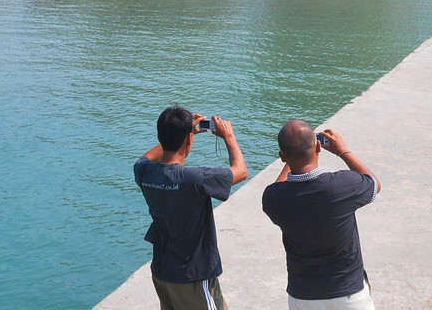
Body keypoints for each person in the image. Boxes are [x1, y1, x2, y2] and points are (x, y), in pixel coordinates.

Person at [134, 105, 248, 310]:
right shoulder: (195, 179)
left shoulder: (144, 172)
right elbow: (240, 171)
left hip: (162, 271)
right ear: (189, 140)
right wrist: (229, 137)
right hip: (192, 276)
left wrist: (182, 133)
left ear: (159, 137)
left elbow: (145, 158)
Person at [262, 121, 381, 309]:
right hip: (348, 293)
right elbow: (373, 183)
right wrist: (343, 151)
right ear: (318, 146)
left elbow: (280, 186)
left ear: (282, 157)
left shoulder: (273, 198)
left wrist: (290, 161)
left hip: (302, 295)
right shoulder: (343, 184)